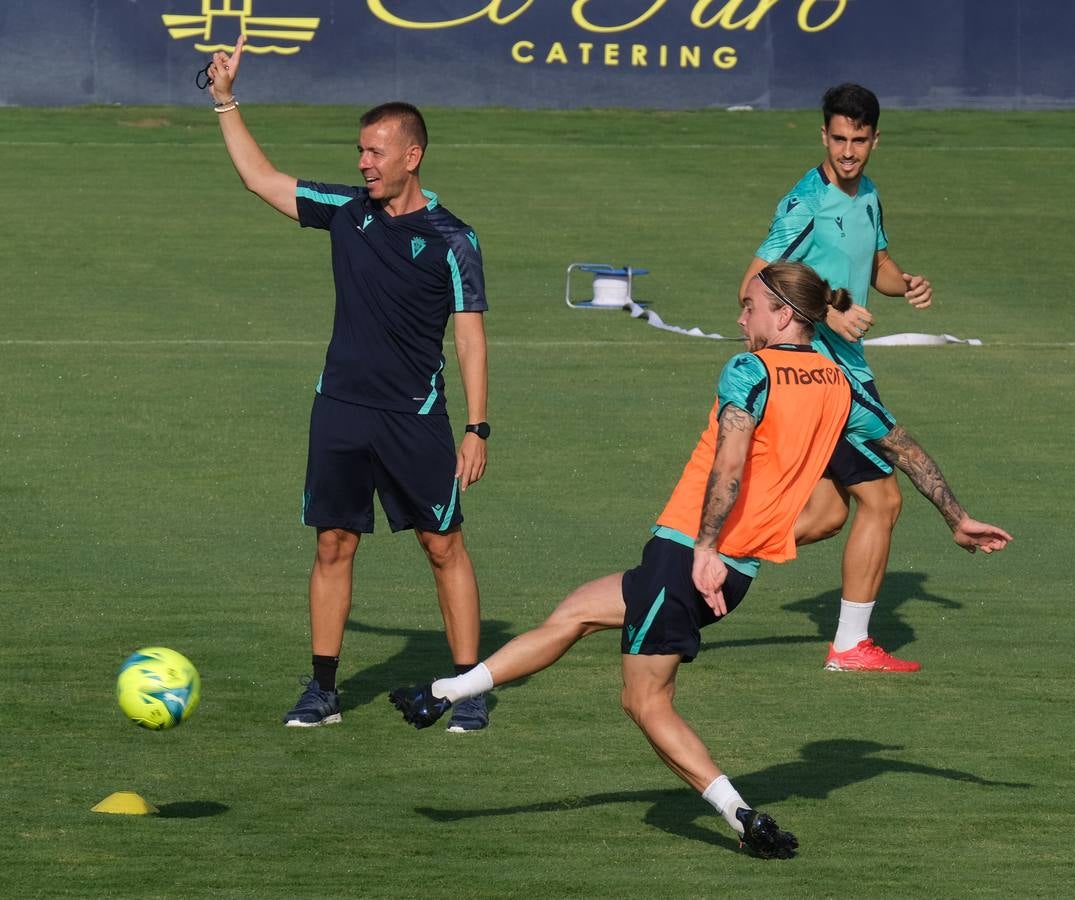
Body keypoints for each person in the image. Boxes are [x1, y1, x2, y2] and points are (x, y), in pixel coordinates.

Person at [390, 262, 1012, 857]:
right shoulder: (839, 384)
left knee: (644, 702)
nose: (742, 319)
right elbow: (904, 448)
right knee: (576, 612)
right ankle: (444, 692)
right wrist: (956, 517)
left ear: (786, 315)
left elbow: (731, 464)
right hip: (715, 565)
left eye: (751, 307)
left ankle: (740, 816)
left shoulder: (751, 372)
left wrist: (706, 548)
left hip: (690, 557)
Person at [203, 36, 492, 731]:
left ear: (411, 155)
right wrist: (224, 101)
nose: (363, 162)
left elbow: (470, 336)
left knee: (441, 543)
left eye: (375, 151)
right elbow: (260, 179)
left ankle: (467, 686)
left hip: (414, 416)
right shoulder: (346, 210)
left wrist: (476, 427)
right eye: (361, 151)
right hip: (340, 409)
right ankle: (324, 690)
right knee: (332, 542)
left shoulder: (454, 238)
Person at [738, 82, 934, 673]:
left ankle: (714, 551)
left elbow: (875, 262)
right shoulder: (805, 202)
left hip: (846, 371)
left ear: (875, 139)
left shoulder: (868, 194)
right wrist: (828, 310)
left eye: (860, 140)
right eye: (839, 139)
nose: (849, 152)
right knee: (885, 500)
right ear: (823, 134)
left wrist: (907, 284)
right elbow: (756, 284)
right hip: (819, 379)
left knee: (826, 515)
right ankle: (849, 646)